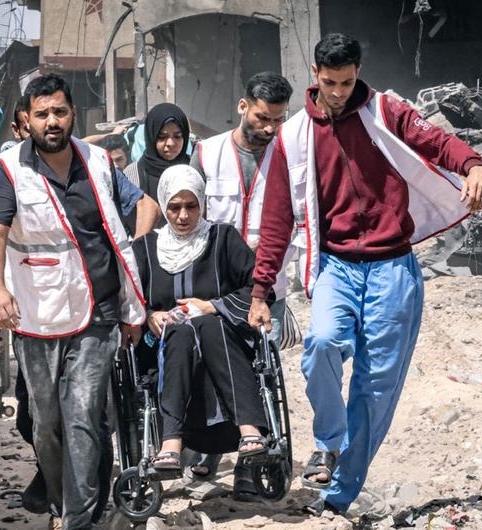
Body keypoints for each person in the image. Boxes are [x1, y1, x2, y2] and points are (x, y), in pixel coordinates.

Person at [247, 33, 482, 515]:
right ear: (315, 75)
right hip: (335, 264)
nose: (339, 92)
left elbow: (436, 141)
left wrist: (474, 164)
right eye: (330, 82)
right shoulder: (293, 137)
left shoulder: (386, 110)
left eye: (347, 81)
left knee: (375, 388)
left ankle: (337, 496)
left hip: (393, 267)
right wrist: (261, 290)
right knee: (321, 343)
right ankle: (328, 442)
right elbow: (276, 220)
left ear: (358, 72)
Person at [0, 73, 145, 529]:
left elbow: (137, 213)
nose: (51, 121)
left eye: (59, 111)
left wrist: (134, 282)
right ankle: (60, 502)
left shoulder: (98, 162)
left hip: (97, 313)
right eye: (42, 114)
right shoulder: (9, 169)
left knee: (83, 416)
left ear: (73, 114)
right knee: (46, 423)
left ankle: (79, 519)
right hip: (36, 314)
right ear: (26, 119)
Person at [188, 71, 293, 495]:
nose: (269, 129)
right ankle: (210, 449)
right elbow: (189, 219)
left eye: (278, 120)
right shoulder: (206, 153)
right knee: (214, 368)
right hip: (216, 286)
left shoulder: (290, 155)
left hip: (269, 285)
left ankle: (251, 468)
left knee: (262, 372)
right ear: (242, 106)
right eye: (263, 118)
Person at [131, 164, 270, 478]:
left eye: (191, 206)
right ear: (163, 204)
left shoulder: (222, 238)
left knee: (207, 324)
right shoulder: (146, 249)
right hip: (168, 352)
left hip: (224, 347)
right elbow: (130, 301)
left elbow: (259, 290)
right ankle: (171, 443)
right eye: (174, 207)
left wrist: (212, 306)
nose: (183, 216)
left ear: (202, 204)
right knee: (180, 332)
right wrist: (150, 316)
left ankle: (249, 428)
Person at [123, 103, 190, 207]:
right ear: (151, 137)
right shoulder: (133, 174)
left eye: (177, 136)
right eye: (162, 137)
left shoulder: (195, 170)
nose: (170, 143)